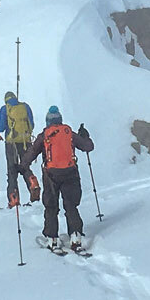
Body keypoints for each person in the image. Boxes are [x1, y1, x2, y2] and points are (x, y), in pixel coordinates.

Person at [20, 107, 94, 253]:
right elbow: (88, 147)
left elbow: (32, 153)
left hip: (51, 175)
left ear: (48, 121)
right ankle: (75, 237)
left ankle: (52, 239)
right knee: (71, 206)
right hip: (70, 173)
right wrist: (85, 136)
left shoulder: (44, 135)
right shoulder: (68, 133)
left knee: (51, 206)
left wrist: (22, 166)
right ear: (60, 119)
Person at [0, 90, 40, 209]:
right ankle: (32, 183)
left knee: (12, 171)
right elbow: (31, 124)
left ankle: (14, 198)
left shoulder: (5, 109)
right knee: (24, 166)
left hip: (11, 143)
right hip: (25, 142)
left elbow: (1, 127)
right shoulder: (25, 106)